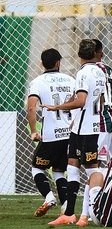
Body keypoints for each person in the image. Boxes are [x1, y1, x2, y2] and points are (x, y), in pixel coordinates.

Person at [43, 39, 106, 226]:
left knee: (92, 169)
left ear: (79, 55)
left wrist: (57, 107)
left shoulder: (83, 73)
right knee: (72, 166)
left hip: (85, 129)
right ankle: (70, 213)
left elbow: (80, 101)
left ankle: (90, 213)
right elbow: (99, 99)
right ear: (95, 53)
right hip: (85, 126)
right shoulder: (100, 72)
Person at [76, 39, 112, 227]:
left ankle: (84, 214)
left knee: (93, 167)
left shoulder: (87, 72)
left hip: (100, 120)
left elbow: (87, 101)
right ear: (99, 53)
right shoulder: (111, 71)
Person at [26, 48, 75, 217]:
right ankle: (67, 205)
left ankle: (48, 197)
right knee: (59, 171)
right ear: (58, 62)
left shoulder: (37, 82)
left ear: (41, 63)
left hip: (51, 135)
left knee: (37, 168)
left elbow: (31, 107)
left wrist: (33, 131)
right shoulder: (71, 80)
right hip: (70, 134)